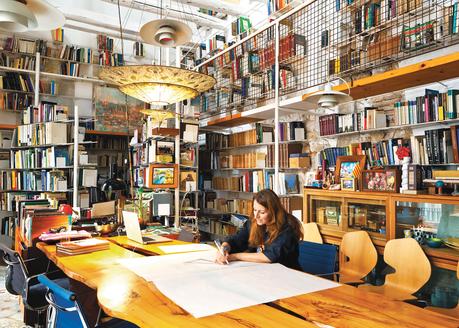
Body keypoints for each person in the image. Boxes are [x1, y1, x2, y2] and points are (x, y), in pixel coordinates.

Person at [215, 189, 303, 269]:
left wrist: (235, 256)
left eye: (262, 212)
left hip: (287, 274)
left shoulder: (287, 227)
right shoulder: (254, 221)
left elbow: (270, 256)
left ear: (273, 212)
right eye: (254, 210)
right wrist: (224, 248)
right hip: (262, 271)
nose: (256, 216)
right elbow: (237, 240)